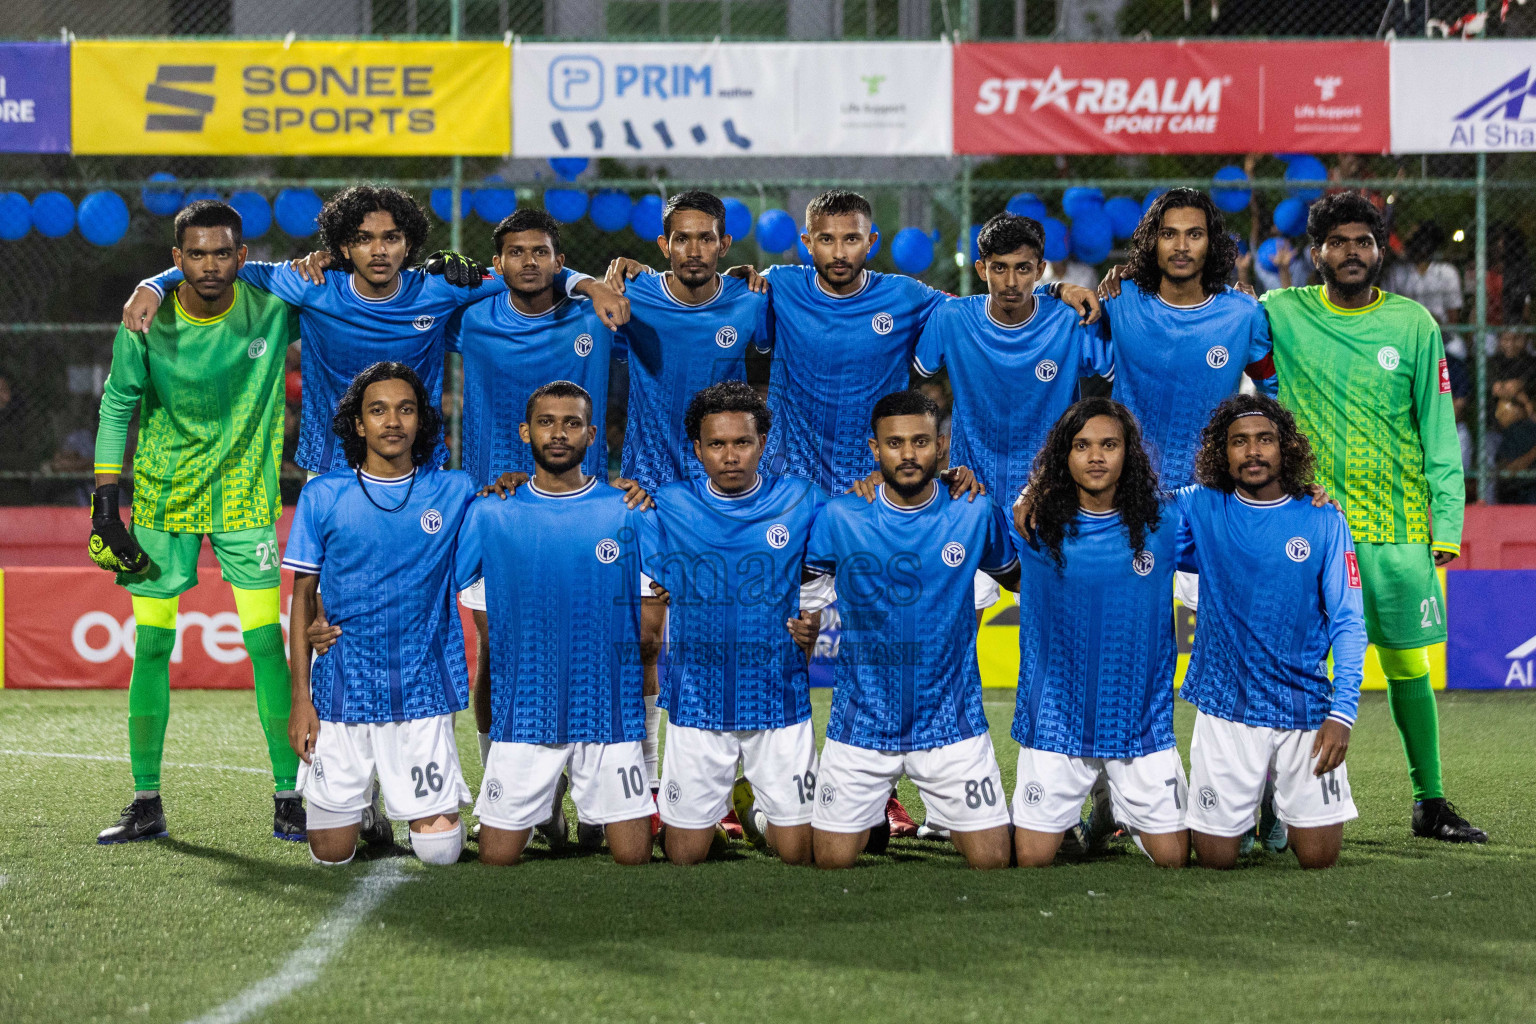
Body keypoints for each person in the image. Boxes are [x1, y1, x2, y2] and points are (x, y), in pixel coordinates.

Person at [119, 184, 629, 476]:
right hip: (332, 461)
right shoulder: (311, 286)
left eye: (391, 238)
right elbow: (223, 267)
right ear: (343, 248)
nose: (378, 250)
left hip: (421, 460)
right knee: (328, 602)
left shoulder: (441, 288)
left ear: (410, 244)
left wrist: (588, 284)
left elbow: (527, 269)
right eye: (363, 239)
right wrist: (153, 284)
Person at [1261, 190, 1486, 843]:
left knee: (1407, 667)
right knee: (1296, 666)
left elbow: (1440, 431)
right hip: (1312, 528)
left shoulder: (1414, 325)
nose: (1352, 252)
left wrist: (1447, 523)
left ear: (1380, 248)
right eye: (1339, 242)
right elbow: (1210, 317)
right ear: (1317, 253)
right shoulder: (1283, 312)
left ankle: (1430, 801)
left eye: (1364, 241)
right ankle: (1274, 802)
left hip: (1397, 526)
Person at [90, 200, 303, 846]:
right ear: (177, 259)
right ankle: (146, 800)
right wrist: (106, 502)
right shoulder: (144, 321)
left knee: (266, 643)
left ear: (243, 257)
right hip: (162, 499)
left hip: (244, 498)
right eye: (196, 254)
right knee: (152, 645)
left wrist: (152, 279)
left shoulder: (274, 306)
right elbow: (118, 403)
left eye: (223, 253)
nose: (210, 265)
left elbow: (335, 284)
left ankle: (290, 797)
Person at [805, 390, 1018, 870]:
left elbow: (1024, 581)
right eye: (894, 443)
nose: (907, 454)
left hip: (952, 725)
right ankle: (871, 813)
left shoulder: (975, 511)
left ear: (942, 446)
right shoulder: (840, 517)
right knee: (829, 862)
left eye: (920, 442)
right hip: (861, 724)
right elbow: (801, 591)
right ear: (873, 449)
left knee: (993, 862)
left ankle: (881, 814)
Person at [457, 381, 660, 867]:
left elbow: (674, 591)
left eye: (572, 423)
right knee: (495, 859)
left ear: (592, 435)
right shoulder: (489, 512)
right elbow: (435, 586)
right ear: (526, 432)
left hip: (607, 716)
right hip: (526, 715)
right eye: (547, 422)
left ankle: (578, 808)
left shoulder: (628, 511)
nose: (559, 433)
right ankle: (545, 809)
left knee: (635, 857)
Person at [284, 362, 474, 866]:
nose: (393, 421)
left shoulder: (456, 492)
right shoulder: (323, 494)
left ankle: (391, 801)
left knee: (440, 854)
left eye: (405, 409)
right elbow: (303, 596)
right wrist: (300, 701)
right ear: (359, 424)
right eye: (378, 410)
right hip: (343, 689)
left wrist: (512, 483)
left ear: (420, 421)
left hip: (422, 687)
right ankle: (364, 804)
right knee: (329, 855)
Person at [1178, 394, 1366, 869]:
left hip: (1303, 706)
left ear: (1286, 448)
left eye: (1265, 439)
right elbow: (1128, 507)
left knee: (1319, 859)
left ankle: (1270, 806)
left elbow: (1348, 621)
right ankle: (1237, 806)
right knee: (1215, 860)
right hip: (1225, 707)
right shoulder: (1200, 507)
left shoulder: (1323, 517)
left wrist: (1341, 715)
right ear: (1223, 453)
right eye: (1239, 442)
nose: (1253, 451)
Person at [646, 381, 825, 866]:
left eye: (742, 442)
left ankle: (751, 813)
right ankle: (708, 817)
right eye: (718, 444)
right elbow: (589, 507)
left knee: (801, 854)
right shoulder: (666, 505)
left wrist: (814, 614)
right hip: (698, 706)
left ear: (762, 445)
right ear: (698, 449)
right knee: (684, 857)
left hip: (778, 701)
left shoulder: (803, 501)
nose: (731, 456)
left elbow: (837, 557)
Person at [1008, 399, 1188, 869]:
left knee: (1174, 860)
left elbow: (1242, 504)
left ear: (1128, 453)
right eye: (1082, 445)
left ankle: (1112, 813)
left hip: (1139, 724)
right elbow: (950, 506)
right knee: (1029, 860)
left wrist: (1305, 491)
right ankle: (1080, 816)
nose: (1095, 457)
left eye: (1109, 445)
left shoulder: (1167, 521)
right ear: (1063, 456)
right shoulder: (1032, 524)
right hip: (1055, 722)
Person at [913, 212, 1112, 507]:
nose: (1010, 281)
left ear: (1040, 269)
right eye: (999, 268)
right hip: (972, 493)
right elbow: (907, 381)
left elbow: (1127, 379)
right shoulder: (951, 318)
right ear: (981, 269)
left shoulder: (1070, 320)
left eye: (1022, 269)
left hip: (1050, 492)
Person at [603, 190, 774, 492]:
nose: (694, 251)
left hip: (720, 485)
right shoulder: (631, 293)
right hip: (645, 484)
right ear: (664, 246)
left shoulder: (751, 298)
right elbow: (542, 278)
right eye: (682, 239)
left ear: (724, 245)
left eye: (706, 239)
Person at [1385, 221, 1463, 327]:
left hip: (1441, 331)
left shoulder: (1447, 272)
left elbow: (1453, 316)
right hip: (1405, 328)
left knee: (1456, 344)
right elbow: (1388, 309)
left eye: (1416, 239)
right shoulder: (1397, 272)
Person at [1494, 383, 1536, 504]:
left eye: (1503, 409)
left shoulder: (1516, 429)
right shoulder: (1512, 432)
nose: (1498, 414)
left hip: (1524, 496)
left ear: (1517, 410)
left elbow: (1507, 471)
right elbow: (1506, 471)